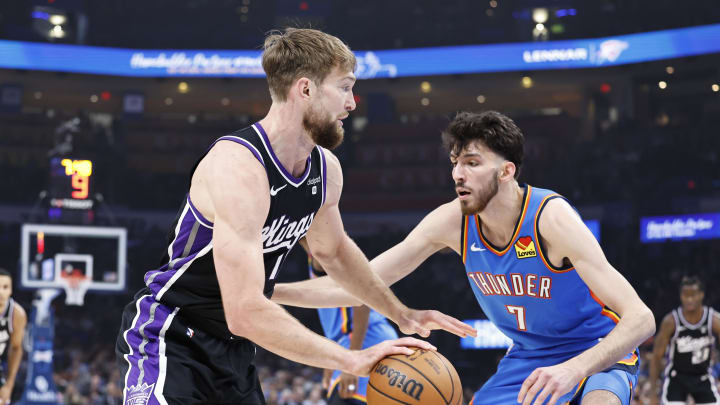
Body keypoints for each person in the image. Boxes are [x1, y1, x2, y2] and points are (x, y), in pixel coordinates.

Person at [115, 27, 475, 405]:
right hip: (170, 334)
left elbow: (334, 253)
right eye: (345, 87)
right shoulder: (238, 167)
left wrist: (401, 314)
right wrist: (350, 360)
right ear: (305, 89)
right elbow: (245, 311)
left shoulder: (325, 170)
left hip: (235, 352)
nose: (353, 103)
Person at [272, 110, 657, 405]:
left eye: (472, 163)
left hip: (598, 349)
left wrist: (575, 369)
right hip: (529, 356)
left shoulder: (549, 219)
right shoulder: (450, 221)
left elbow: (641, 319)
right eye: (455, 162)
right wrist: (269, 290)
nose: (458, 173)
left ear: (506, 171)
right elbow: (360, 284)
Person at [299, 238, 398, 405]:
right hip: (358, 341)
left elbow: (361, 303)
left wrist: (352, 358)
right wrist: (330, 359)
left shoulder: (327, 255)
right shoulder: (318, 254)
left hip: (365, 340)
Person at [649, 276, 719, 405]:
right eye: (686, 295)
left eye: (693, 295)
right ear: (681, 296)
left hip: (703, 377)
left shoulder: (714, 320)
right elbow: (656, 358)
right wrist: (653, 393)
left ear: (701, 295)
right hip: (676, 378)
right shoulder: (670, 321)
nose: (689, 299)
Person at [0, 269, 27, 405]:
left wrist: (9, 385)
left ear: (10, 290)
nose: (1, 292)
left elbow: (16, 348)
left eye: (5, 287)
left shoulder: (16, 314)